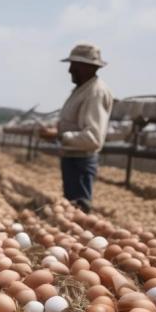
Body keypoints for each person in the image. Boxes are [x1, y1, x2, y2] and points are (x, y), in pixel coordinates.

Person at [39, 43, 113, 213]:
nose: (69, 70)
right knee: (72, 207)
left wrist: (59, 135)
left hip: (81, 161)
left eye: (74, 65)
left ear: (86, 67)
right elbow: (74, 123)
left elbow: (93, 138)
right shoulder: (82, 90)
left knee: (79, 209)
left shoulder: (96, 92)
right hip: (72, 157)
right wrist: (57, 131)